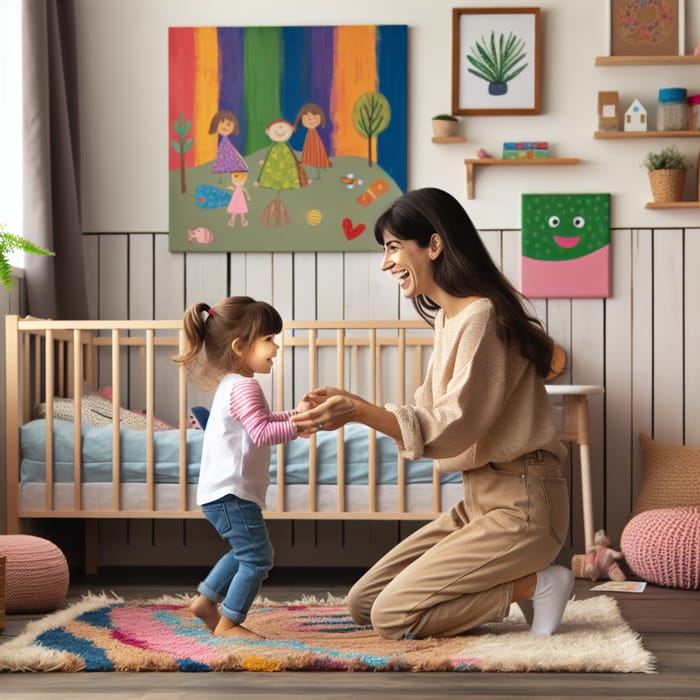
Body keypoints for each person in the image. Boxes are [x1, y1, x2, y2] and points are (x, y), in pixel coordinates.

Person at [292, 187, 574, 639]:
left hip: (522, 503)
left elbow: (455, 426)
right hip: (478, 502)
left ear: (435, 245)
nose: (386, 263)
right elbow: (427, 410)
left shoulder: (482, 315)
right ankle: (515, 583)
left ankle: (537, 584)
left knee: (392, 617)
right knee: (363, 602)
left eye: (392, 248)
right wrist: (350, 404)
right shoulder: (449, 318)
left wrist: (362, 412)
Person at [172, 296, 309, 639]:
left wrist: (298, 416)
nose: (276, 348)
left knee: (245, 551)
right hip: (232, 493)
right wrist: (298, 425)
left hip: (223, 492)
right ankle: (230, 624)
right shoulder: (245, 386)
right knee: (258, 558)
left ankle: (206, 602)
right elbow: (263, 432)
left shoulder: (232, 385)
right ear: (239, 345)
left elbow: (263, 421)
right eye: (269, 339)